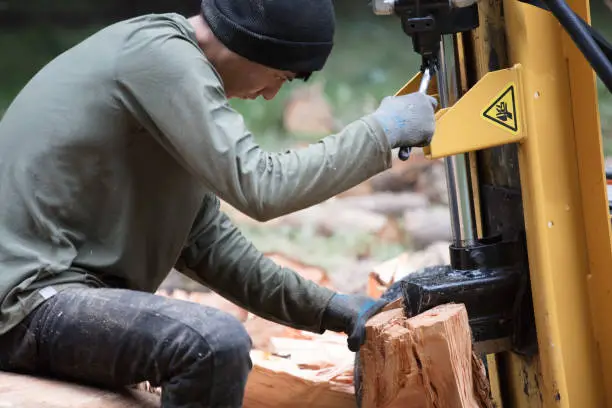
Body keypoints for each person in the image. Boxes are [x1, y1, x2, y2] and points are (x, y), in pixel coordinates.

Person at [0, 0, 437, 407]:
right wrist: (381, 132)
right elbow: (263, 187)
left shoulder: (165, 78)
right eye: (280, 78)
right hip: (26, 302)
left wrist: (334, 308)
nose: (269, 95)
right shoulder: (160, 58)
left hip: (53, 300)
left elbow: (211, 246)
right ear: (253, 44)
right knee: (211, 346)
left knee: (211, 341)